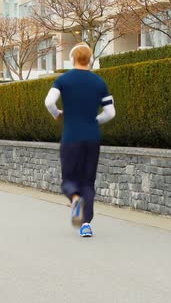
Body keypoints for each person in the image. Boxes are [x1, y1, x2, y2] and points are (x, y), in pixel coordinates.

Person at [44, 43, 116, 238]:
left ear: (72, 58)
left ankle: (75, 199)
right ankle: (86, 224)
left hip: (71, 138)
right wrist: (95, 121)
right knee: (88, 181)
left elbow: (49, 102)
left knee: (69, 180)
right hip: (92, 138)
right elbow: (110, 113)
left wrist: (57, 114)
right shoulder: (99, 82)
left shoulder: (63, 80)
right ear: (90, 59)